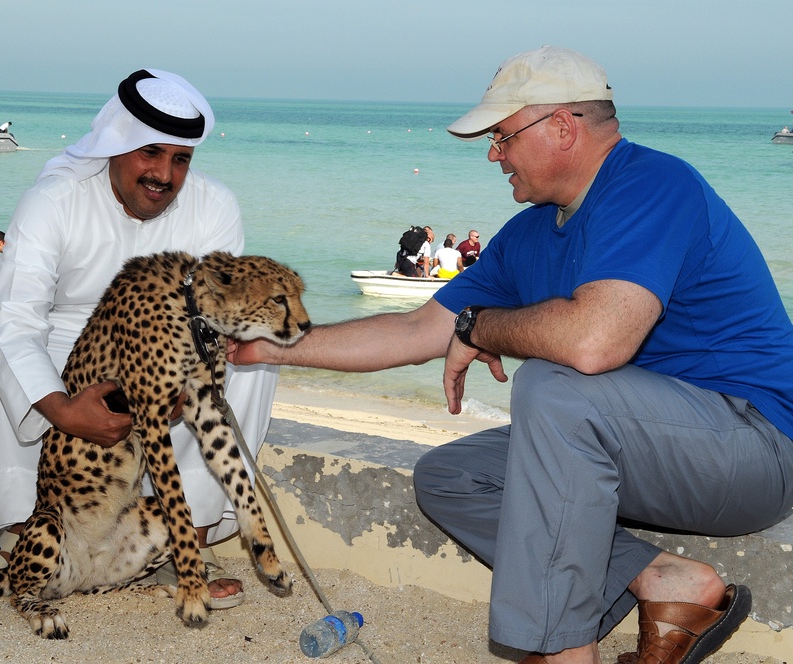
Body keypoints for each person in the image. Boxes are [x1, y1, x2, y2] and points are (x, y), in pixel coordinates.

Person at [229, 46, 793, 663]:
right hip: (650, 450)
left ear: (562, 125)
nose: (493, 154)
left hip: (751, 447)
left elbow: (594, 343)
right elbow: (419, 329)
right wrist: (265, 347)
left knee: (553, 386)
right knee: (451, 477)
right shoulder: (526, 234)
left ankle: (563, 652)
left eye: (502, 136)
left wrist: (482, 329)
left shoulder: (654, 184)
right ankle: (664, 580)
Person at [0, 69, 279, 610]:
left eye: (181, 160)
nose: (164, 174)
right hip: (64, 338)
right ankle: (20, 530)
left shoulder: (215, 206)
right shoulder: (55, 198)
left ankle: (186, 546)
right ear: (116, 146)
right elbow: (13, 314)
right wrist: (61, 408)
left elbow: (216, 319)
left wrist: (176, 390)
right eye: (150, 153)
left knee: (250, 365)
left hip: (166, 350)